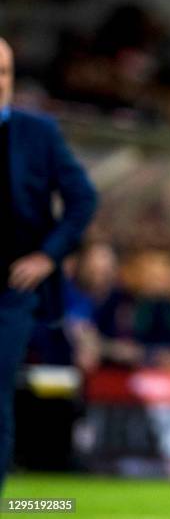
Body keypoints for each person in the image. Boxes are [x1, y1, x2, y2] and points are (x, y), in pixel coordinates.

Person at [0, 38, 97, 492]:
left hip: (12, 288)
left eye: (4, 72)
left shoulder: (37, 132)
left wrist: (47, 255)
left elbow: (83, 198)